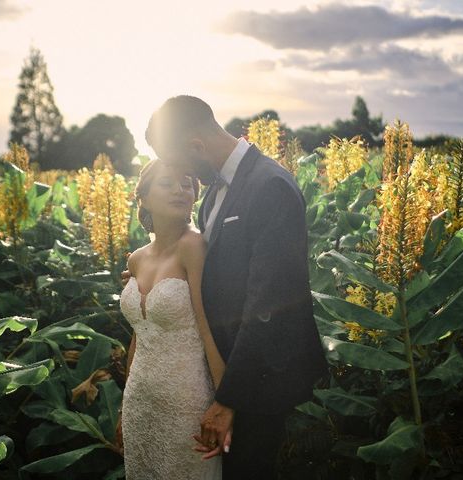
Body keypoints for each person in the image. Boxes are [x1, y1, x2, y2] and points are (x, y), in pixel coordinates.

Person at [123, 95, 327, 479]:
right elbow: (212, 272)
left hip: (255, 381)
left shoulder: (270, 186)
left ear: (196, 146)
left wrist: (229, 399)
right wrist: (157, 275)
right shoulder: (215, 196)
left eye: (184, 167)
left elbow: (270, 306)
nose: (187, 181)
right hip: (219, 377)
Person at [119, 159, 224, 479]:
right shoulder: (135, 259)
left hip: (186, 403)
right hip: (140, 400)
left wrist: (223, 405)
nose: (181, 189)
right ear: (145, 198)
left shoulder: (194, 247)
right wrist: (124, 406)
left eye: (188, 182)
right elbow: (139, 335)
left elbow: (209, 332)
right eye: (168, 183)